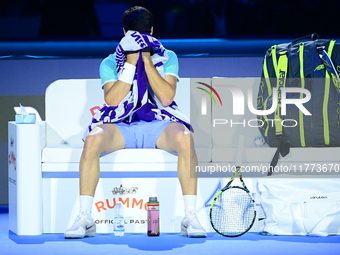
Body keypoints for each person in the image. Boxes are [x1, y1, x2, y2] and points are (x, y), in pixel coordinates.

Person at [64, 6, 207, 239]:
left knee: (185, 138)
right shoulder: (110, 62)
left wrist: (147, 60)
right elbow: (112, 99)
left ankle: (189, 216)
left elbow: (166, 97)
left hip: (158, 124)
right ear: (126, 35)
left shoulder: (168, 57)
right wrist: (131, 63)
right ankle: (85, 218)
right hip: (122, 125)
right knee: (91, 140)